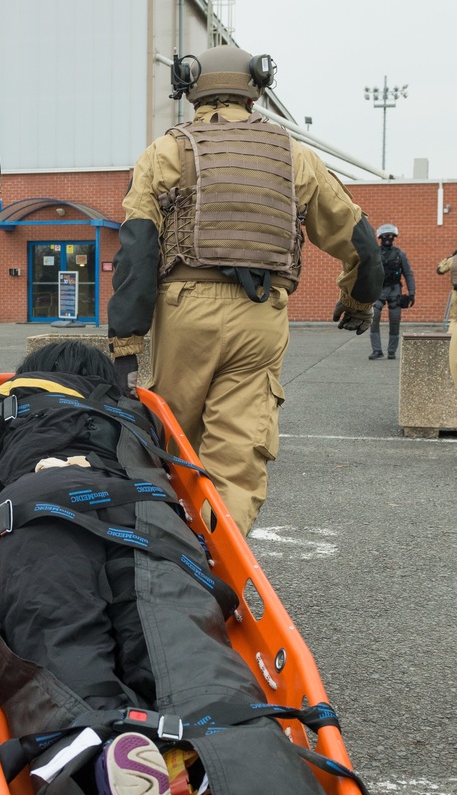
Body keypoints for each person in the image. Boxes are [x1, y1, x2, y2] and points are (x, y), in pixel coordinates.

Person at [0, 340, 347, 795]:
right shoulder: (133, 414)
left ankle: (105, 764)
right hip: (147, 520)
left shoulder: (8, 406)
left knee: (64, 669)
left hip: (32, 514)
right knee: (195, 666)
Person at [106, 47, 383, 535]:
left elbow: (137, 251)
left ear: (191, 86)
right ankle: (215, 574)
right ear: (255, 87)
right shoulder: (294, 155)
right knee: (235, 461)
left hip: (184, 309)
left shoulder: (165, 151)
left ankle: (164, 567)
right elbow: (359, 238)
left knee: (173, 447)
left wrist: (126, 345)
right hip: (262, 314)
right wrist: (358, 300)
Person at [369, 223, 416, 360]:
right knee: (374, 317)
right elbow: (367, 272)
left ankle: (391, 351)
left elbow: (408, 273)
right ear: (380, 238)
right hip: (379, 289)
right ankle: (377, 350)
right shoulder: (375, 253)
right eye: (384, 236)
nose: (387, 239)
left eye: (390, 236)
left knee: (395, 320)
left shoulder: (400, 254)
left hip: (395, 289)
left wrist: (411, 292)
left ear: (394, 237)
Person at [437, 246, 457, 390]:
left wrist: (448, 257)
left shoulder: (453, 260)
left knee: (454, 319)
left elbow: (440, 269)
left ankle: (451, 340)